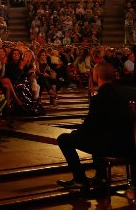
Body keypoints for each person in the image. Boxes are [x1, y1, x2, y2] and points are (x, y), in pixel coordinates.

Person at [57, 62, 136, 191]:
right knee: (98, 135)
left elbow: (88, 127)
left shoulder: (100, 98)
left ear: (96, 75)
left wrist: (74, 134)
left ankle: (79, 179)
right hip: (129, 144)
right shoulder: (126, 92)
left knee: (64, 139)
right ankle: (101, 177)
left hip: (113, 147)